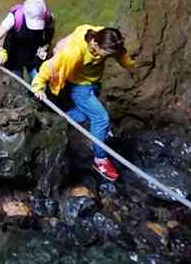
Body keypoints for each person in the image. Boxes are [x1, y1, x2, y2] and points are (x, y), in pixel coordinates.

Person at [31, 25, 136, 182]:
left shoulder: (105, 37)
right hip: (78, 85)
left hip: (91, 80)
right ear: (94, 45)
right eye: (106, 54)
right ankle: (100, 160)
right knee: (101, 118)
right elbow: (50, 65)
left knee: (82, 116)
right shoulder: (74, 52)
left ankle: (64, 118)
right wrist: (38, 85)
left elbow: (119, 52)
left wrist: (129, 65)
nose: (108, 57)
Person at [0, 0, 54, 79]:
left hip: (34, 52)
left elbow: (48, 38)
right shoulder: (14, 18)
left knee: (41, 80)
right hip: (13, 53)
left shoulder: (49, 18)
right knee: (15, 81)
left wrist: (45, 48)